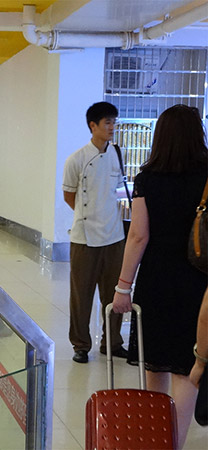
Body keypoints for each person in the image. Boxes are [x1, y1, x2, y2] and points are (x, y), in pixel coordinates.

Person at [112, 104, 207, 448]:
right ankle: (175, 443)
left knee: (157, 365)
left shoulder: (148, 179)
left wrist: (123, 287)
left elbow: (138, 236)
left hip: (157, 280)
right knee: (189, 368)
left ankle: (158, 440)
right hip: (199, 280)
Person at [62, 101, 127, 364]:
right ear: (93, 126)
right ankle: (80, 345)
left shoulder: (117, 154)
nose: (112, 127)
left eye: (114, 122)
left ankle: (112, 342)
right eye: (107, 122)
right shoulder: (76, 159)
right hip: (84, 239)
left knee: (114, 294)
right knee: (82, 295)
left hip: (114, 236)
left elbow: (117, 191)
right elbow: (69, 196)